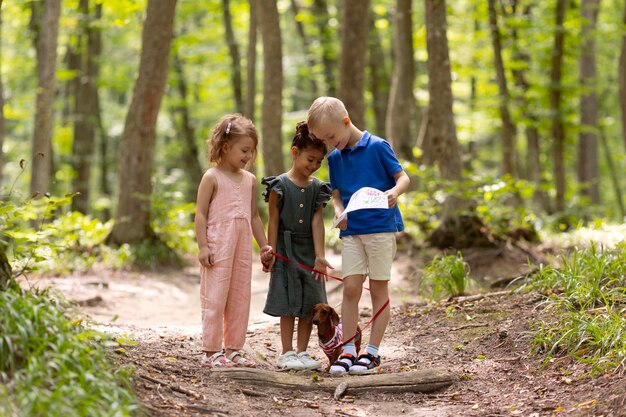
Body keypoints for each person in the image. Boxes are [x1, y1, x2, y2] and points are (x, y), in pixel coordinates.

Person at [307, 97, 410, 375]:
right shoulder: (335, 158)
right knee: (351, 288)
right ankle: (348, 349)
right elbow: (337, 194)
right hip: (352, 232)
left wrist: (394, 193)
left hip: (380, 228)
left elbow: (403, 178)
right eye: (323, 139)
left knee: (378, 289)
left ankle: (373, 352)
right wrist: (338, 212)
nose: (329, 142)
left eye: (331, 136)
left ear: (346, 121)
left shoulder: (377, 146)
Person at [194, 114, 273, 369]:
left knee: (240, 297)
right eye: (244, 150)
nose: (248, 156)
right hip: (218, 248)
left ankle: (234, 348)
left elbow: (254, 217)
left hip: (241, 251)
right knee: (215, 297)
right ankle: (211, 350)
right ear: (226, 147)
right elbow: (201, 214)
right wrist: (203, 245)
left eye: (251, 151)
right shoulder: (211, 177)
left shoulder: (249, 180)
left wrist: (263, 246)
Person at [261, 121, 334, 371]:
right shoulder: (278, 185)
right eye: (309, 159)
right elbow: (273, 220)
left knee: (309, 303)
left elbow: (317, 223)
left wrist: (320, 256)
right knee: (288, 301)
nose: (313, 166)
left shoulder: (318, 189)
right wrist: (271, 251)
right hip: (285, 248)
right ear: (295, 152)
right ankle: (287, 352)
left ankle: (303, 352)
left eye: (318, 162)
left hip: (309, 252)